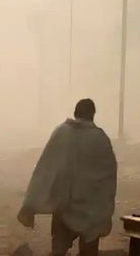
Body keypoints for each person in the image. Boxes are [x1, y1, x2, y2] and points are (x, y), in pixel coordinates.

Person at [17, 99, 117, 256]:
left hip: (65, 207)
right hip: (93, 211)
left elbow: (45, 169)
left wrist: (30, 203)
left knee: (59, 249)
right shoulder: (101, 138)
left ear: (76, 113)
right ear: (92, 115)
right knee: (89, 251)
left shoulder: (62, 133)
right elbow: (110, 174)